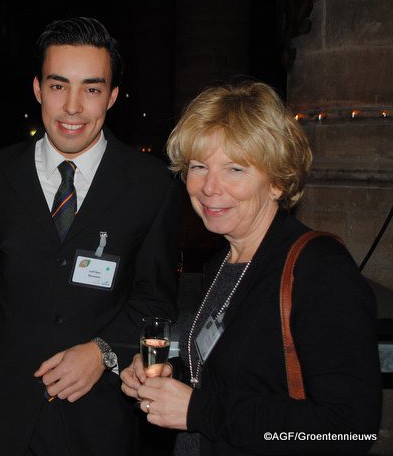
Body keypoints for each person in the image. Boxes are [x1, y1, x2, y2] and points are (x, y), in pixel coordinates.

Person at [120, 80, 382, 455]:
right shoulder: (224, 262)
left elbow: (349, 430)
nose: (209, 187)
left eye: (235, 169)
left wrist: (199, 411)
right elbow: (233, 373)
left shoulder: (319, 271)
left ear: (276, 181)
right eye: (199, 166)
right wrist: (171, 375)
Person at [0, 17, 181, 456]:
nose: (72, 107)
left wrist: (103, 351)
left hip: (98, 419)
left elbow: (156, 300)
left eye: (91, 89)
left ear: (112, 96)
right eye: (58, 85)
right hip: (1, 414)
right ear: (37, 89)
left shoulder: (151, 185)